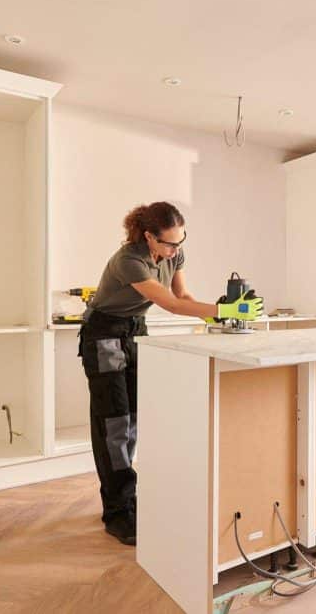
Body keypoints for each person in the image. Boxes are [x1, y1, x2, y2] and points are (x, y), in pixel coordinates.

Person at [79, 201, 263, 545]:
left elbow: (184, 295)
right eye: (169, 243)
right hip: (103, 334)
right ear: (149, 236)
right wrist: (225, 309)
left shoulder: (175, 255)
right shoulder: (129, 261)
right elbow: (171, 305)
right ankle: (117, 514)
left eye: (181, 241)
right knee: (113, 424)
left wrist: (216, 316)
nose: (176, 249)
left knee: (133, 418)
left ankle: (128, 500)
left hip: (135, 330)